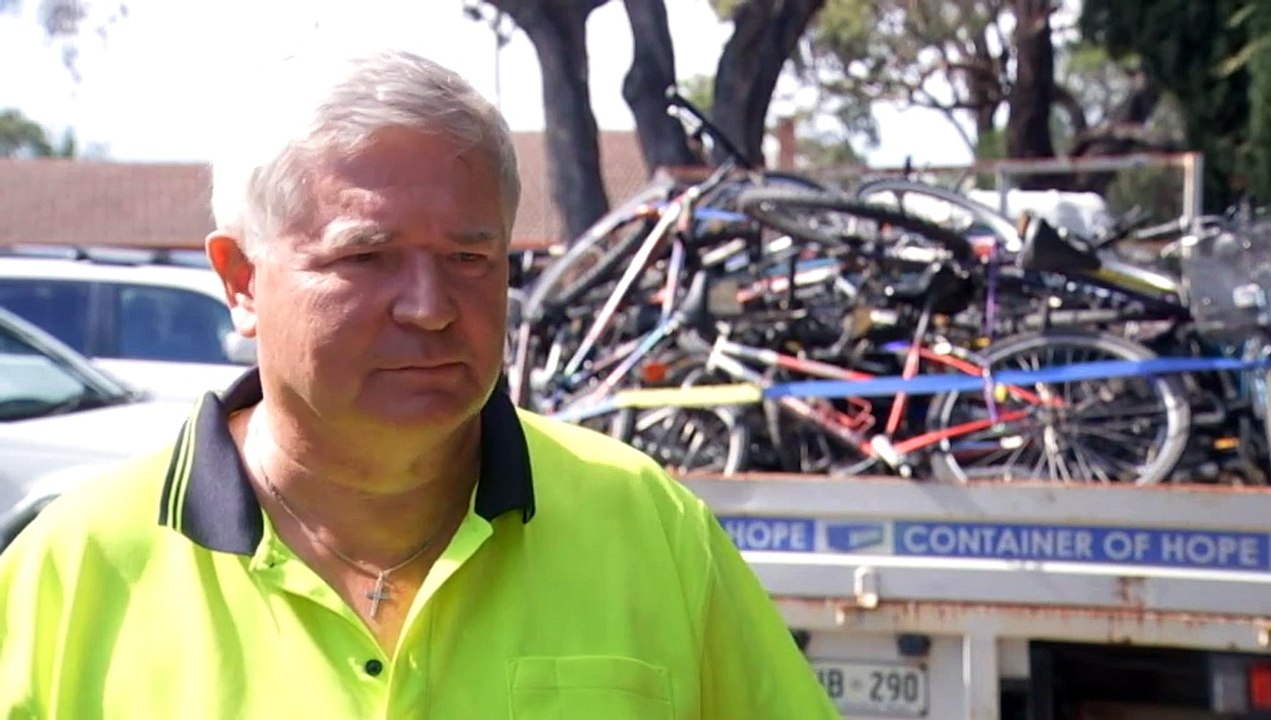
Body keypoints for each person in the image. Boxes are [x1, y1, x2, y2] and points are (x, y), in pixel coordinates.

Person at [0, 48, 839, 718]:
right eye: (365, 257)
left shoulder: (647, 528)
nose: (432, 308)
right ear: (241, 279)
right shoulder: (74, 568)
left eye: (471, 258)